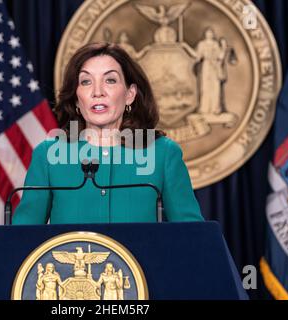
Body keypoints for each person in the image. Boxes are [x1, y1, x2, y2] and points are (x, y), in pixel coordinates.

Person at [13, 42, 203, 224]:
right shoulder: (48, 155)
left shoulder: (163, 153)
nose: (97, 91)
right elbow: (23, 238)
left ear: (130, 94)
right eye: (86, 81)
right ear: (77, 100)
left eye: (110, 80)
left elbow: (193, 236)